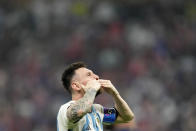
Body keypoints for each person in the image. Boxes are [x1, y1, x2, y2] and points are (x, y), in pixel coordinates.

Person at [57, 62, 134, 131]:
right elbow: (80, 111)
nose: (97, 77)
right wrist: (92, 89)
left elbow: (127, 117)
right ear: (76, 86)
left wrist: (115, 95)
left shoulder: (98, 110)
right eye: (89, 75)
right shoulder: (65, 109)